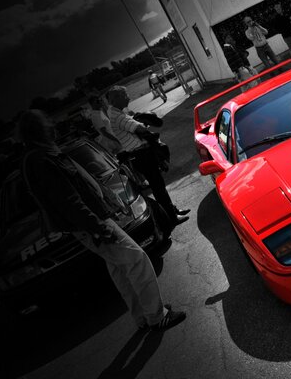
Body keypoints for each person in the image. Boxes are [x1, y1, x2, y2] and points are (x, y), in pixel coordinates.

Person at [18, 109, 186, 331]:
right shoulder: (42, 160)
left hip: (92, 223)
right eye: (46, 122)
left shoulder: (42, 155)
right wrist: (98, 227)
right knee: (137, 259)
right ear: (38, 130)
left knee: (119, 268)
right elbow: (69, 202)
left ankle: (143, 317)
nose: (51, 124)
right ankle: (157, 316)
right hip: (92, 224)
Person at [106, 86, 190, 226]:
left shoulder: (117, 112)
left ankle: (172, 210)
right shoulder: (117, 116)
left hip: (141, 154)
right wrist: (144, 123)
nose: (128, 97)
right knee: (158, 187)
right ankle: (171, 217)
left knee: (159, 186)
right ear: (117, 99)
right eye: (125, 95)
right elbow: (140, 129)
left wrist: (138, 119)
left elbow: (135, 126)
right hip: (141, 154)